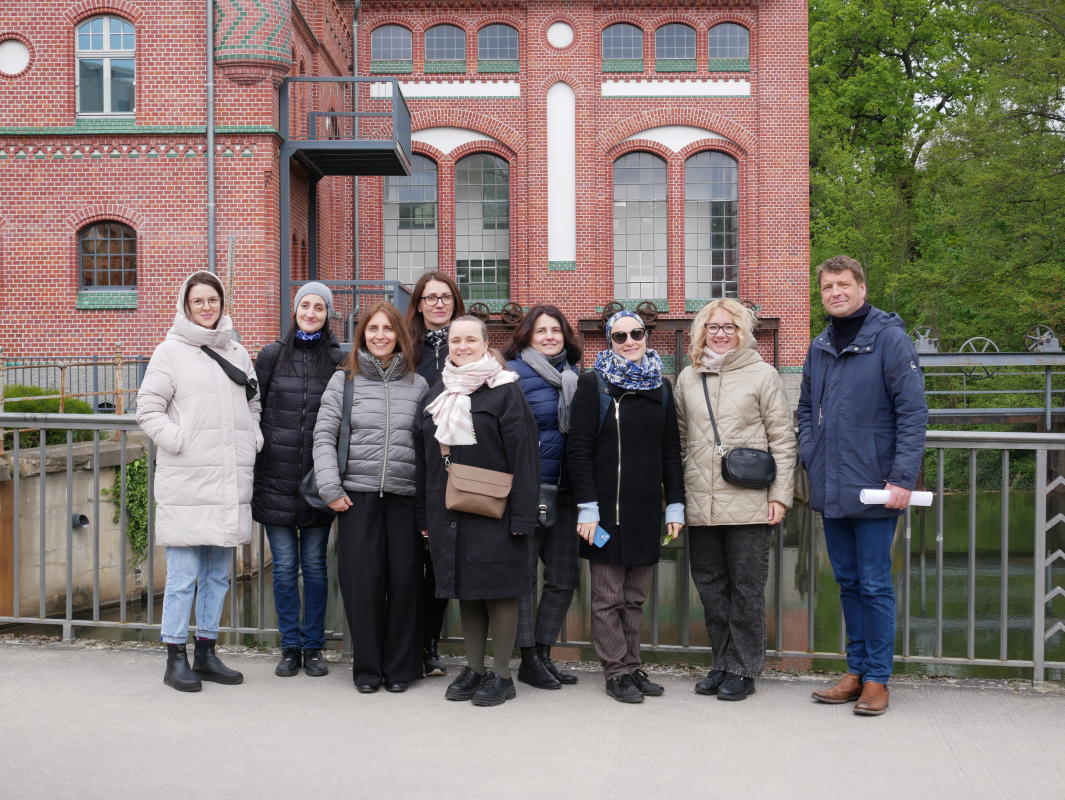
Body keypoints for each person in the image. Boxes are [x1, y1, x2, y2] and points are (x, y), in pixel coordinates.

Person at [799, 255, 928, 716]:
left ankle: (877, 679)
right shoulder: (820, 345)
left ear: (862, 288)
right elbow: (804, 410)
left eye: (843, 284)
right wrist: (810, 455)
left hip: (876, 485)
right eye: (827, 286)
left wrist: (901, 478)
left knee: (875, 584)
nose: (835, 292)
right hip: (832, 484)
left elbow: (913, 413)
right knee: (848, 582)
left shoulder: (890, 339)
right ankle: (854, 672)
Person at [137, 271, 262, 692]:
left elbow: (254, 401)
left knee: (217, 575)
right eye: (198, 301)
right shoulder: (169, 352)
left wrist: (254, 437)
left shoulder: (238, 353)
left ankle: (206, 651)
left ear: (222, 304)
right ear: (186, 306)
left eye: (213, 300)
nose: (206, 308)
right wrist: (179, 440)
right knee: (183, 574)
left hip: (228, 478)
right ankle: (175, 656)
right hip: (188, 479)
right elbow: (148, 409)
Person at [675, 299, 796, 701]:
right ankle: (721, 663)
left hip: (748, 500)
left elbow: (782, 437)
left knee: (746, 588)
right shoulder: (688, 378)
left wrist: (781, 494)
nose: (721, 333)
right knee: (710, 587)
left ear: (742, 331)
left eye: (729, 327)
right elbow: (678, 441)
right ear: (702, 332)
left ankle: (744, 669)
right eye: (714, 327)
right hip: (700, 499)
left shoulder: (763, 374)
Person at [416, 316, 540, 707]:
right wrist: (424, 516)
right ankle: (474, 667)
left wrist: (522, 516)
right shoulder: (437, 393)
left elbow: (524, 457)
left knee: (499, 591)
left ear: (487, 345)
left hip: (497, 510)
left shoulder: (505, 390)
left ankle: (502, 674)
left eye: (471, 339)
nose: (463, 346)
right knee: (465, 589)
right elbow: (423, 461)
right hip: (448, 508)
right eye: (456, 340)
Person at [567, 310, 685, 704]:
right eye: (620, 336)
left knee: (634, 598)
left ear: (646, 335)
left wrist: (675, 507)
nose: (630, 341)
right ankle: (615, 671)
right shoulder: (594, 384)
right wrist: (587, 507)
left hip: (645, 511)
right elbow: (579, 449)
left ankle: (632, 666)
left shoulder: (661, 387)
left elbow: (671, 452)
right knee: (606, 599)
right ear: (609, 341)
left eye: (636, 333)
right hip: (603, 512)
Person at [313, 302, 429, 694]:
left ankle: (399, 669)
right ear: (362, 335)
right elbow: (324, 436)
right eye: (373, 329)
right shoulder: (343, 381)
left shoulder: (418, 385)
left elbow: (429, 447)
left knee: (404, 585)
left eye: (388, 329)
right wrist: (331, 489)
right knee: (362, 586)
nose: (381, 335)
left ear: (400, 335)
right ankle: (367, 669)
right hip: (356, 498)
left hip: (403, 498)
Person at [252, 282, 343, 679]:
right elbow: (253, 408)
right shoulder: (272, 355)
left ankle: (314, 646)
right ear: (295, 310)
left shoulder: (339, 360)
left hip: (316, 480)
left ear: (327, 315)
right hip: (274, 477)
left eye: (318, 307)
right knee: (285, 568)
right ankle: (290, 646)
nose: (311, 312)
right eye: (305, 305)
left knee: (316, 567)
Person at [503, 305, 583, 689]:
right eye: (541, 331)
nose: (550, 336)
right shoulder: (511, 376)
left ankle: (544, 651)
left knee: (565, 576)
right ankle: (528, 658)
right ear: (527, 336)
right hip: (527, 491)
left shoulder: (574, 377)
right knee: (522, 578)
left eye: (556, 330)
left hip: (566, 492)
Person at [405, 271, 466, 676]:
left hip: (454, 473)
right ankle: (407, 645)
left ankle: (429, 644)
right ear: (420, 305)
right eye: (431, 298)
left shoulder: (469, 352)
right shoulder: (407, 351)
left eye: (445, 297)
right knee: (409, 567)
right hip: (407, 469)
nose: (439, 304)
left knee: (442, 565)